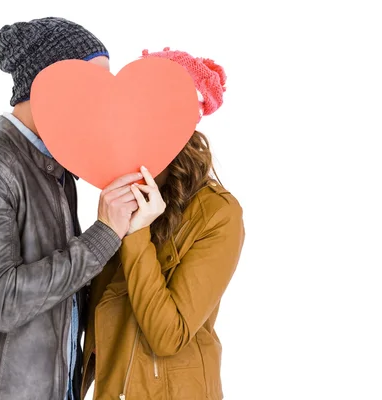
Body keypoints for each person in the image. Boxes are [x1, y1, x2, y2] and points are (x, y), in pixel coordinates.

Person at [0, 17, 141, 400]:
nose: (102, 104)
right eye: (91, 88)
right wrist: (104, 234)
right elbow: (5, 300)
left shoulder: (57, 169)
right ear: (49, 85)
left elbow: (65, 287)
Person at [81, 48, 245, 400]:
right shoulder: (123, 191)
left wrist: (137, 233)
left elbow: (168, 335)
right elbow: (94, 310)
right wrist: (105, 230)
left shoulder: (219, 214)